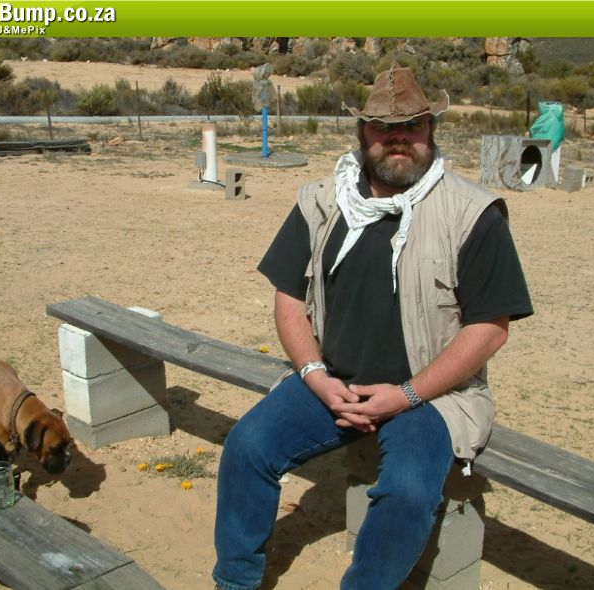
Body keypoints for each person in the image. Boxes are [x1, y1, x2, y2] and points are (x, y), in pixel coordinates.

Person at [213, 62, 533, 590]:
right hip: (331, 382)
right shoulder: (323, 200)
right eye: (384, 127)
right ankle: (235, 581)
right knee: (247, 447)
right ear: (362, 133)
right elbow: (289, 295)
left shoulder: (472, 214)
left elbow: (491, 327)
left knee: (407, 493)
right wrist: (315, 376)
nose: (398, 138)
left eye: (411, 126)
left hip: (429, 398)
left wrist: (406, 394)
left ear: (431, 129)